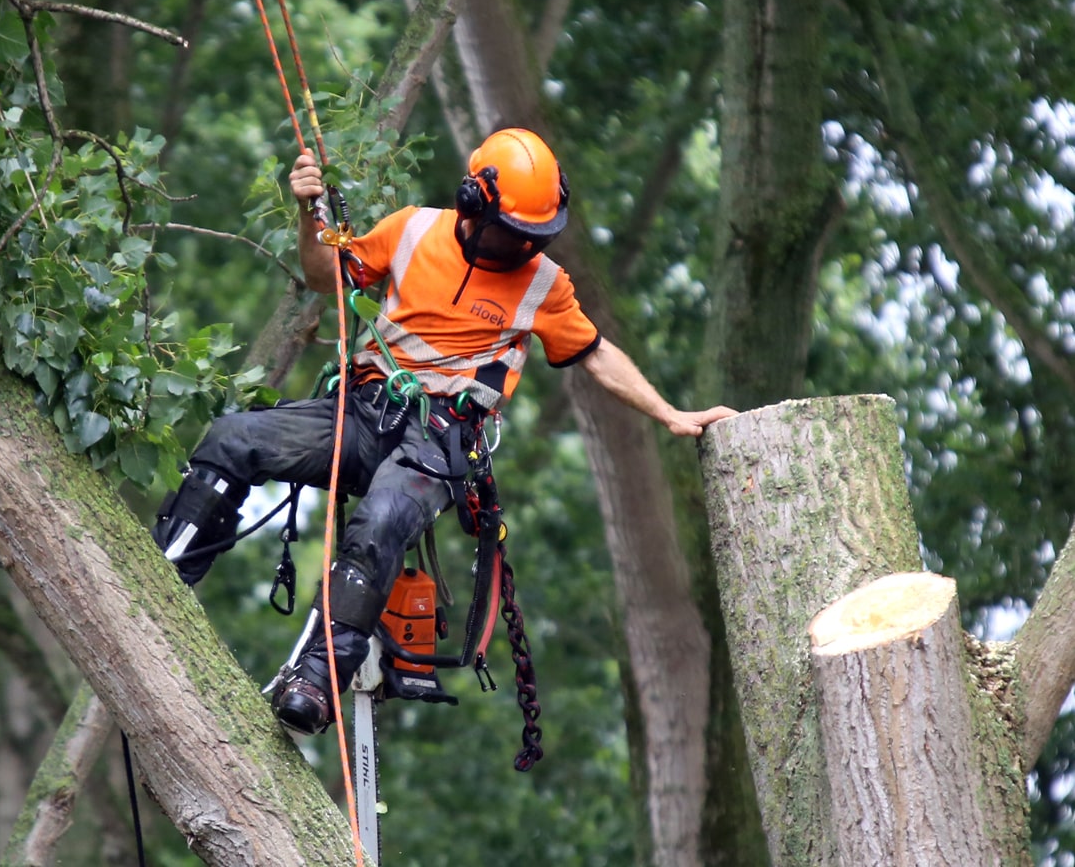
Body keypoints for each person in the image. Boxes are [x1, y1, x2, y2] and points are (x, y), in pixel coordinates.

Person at [150, 127, 736, 735]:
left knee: (381, 522)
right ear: (472, 204)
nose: (521, 246)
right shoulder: (411, 229)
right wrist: (307, 211)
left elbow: (594, 352)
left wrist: (671, 413)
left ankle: (318, 676)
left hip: (438, 444)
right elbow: (328, 274)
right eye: (511, 231)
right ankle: (164, 574)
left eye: (533, 235)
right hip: (364, 414)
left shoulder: (544, 284)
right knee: (232, 438)